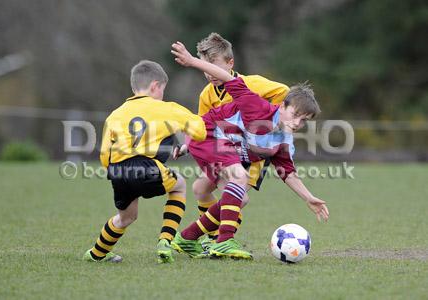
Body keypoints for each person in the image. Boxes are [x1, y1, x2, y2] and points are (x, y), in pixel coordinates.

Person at [170, 41, 329, 259]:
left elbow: (288, 173)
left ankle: (187, 238)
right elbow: (228, 78)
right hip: (208, 133)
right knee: (238, 177)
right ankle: (224, 241)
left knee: (240, 198)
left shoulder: (283, 141)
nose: (297, 123)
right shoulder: (257, 105)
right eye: (295, 115)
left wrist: (309, 197)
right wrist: (192, 61)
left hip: (219, 146)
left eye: (304, 121)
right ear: (282, 106)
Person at [83, 60, 206, 264]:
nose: (162, 95)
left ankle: (97, 253)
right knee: (179, 186)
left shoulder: (115, 115)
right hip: (146, 166)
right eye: (162, 90)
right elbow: (200, 132)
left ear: (134, 87)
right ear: (155, 86)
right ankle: (165, 241)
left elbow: (105, 154)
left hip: (117, 169)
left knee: (126, 217)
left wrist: (117, 173)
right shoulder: (167, 108)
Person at [175, 33, 290, 248]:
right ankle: (210, 237)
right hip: (225, 151)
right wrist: (185, 146)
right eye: (205, 69)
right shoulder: (206, 95)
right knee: (200, 189)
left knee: (237, 195)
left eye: (214, 67)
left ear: (230, 63)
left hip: (252, 156)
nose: (210, 74)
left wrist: (269, 123)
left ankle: (222, 238)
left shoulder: (251, 83)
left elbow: (285, 93)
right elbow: (201, 126)